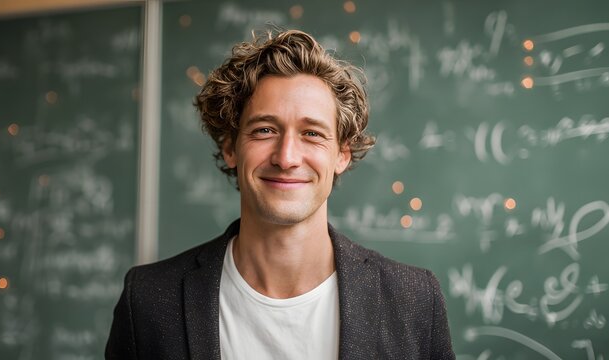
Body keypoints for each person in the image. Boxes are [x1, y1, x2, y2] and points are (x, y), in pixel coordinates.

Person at [106, 29, 455, 359]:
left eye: (312, 134)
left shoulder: (415, 301)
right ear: (230, 147)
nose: (286, 157)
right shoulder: (149, 300)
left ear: (342, 155)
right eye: (264, 130)